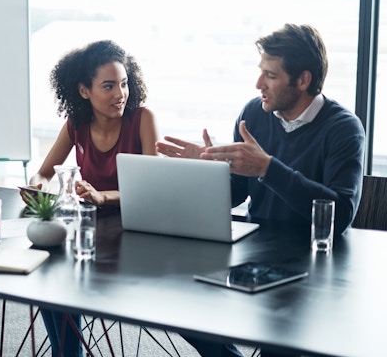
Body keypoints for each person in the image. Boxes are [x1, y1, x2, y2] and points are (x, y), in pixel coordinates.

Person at [156, 23, 365, 357]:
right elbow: (238, 191)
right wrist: (207, 170)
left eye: (270, 75)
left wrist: (268, 168)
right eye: (260, 72)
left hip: (311, 262)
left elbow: (338, 215)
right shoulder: (255, 112)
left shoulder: (343, 129)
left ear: (303, 80)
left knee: (278, 343)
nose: (258, 85)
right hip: (255, 252)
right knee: (177, 300)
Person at [27, 40, 159, 357]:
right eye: (109, 86)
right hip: (89, 231)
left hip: (133, 232)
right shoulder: (76, 124)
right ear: (84, 91)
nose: (120, 94)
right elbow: (43, 172)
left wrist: (102, 196)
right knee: (49, 275)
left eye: (124, 84)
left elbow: (154, 188)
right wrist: (40, 188)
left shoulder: (142, 119)